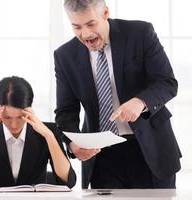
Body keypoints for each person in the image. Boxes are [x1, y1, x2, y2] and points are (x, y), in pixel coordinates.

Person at [54, 0, 181, 189]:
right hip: (101, 157)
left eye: (91, 24)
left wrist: (140, 102)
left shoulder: (140, 34)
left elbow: (167, 83)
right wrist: (73, 144)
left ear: (105, 13)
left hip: (150, 148)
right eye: (77, 27)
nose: (86, 34)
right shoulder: (65, 56)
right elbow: (65, 112)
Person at [0, 76, 76, 188]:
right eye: (7, 117)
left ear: (29, 109)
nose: (14, 125)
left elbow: (68, 181)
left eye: (20, 117)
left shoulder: (47, 132)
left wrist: (49, 136)